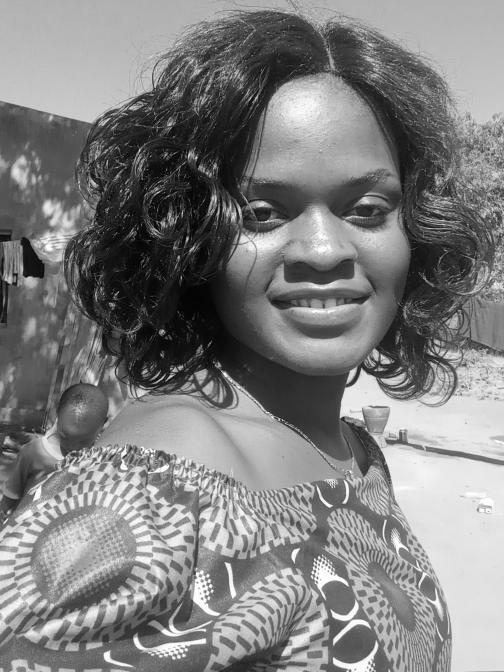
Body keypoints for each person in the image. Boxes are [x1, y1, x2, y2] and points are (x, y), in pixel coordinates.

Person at [0, 10, 492, 672]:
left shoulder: (356, 453)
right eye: (262, 213)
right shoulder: (150, 493)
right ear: (191, 238)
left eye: (368, 210)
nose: (324, 250)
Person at [0, 383, 108, 514]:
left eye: (83, 441)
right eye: (65, 436)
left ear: (103, 425)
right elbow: (11, 495)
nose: (73, 448)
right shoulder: (33, 453)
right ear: (57, 414)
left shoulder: (100, 459)